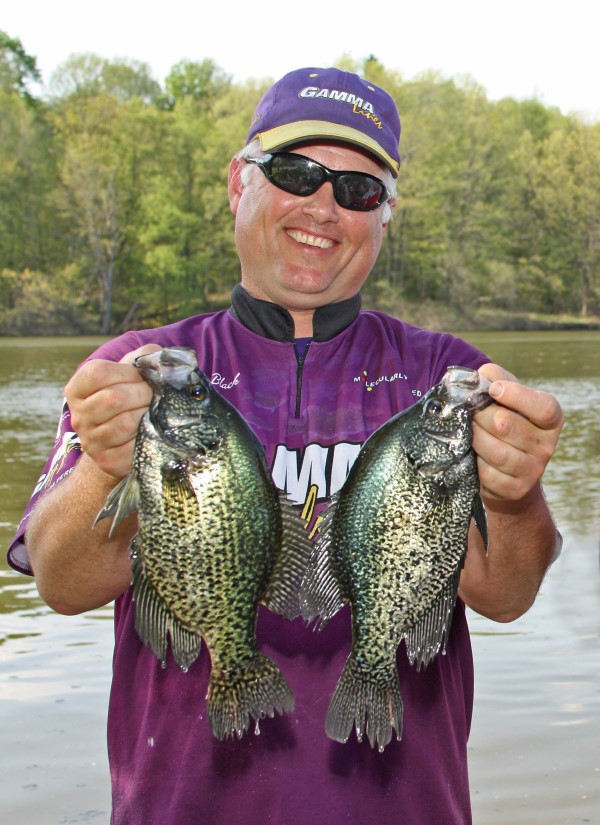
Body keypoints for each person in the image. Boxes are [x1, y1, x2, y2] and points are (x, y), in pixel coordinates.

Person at [7, 67, 563, 824]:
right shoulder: (138, 370)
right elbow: (61, 585)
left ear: (385, 217)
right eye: (297, 172)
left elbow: (509, 594)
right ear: (240, 182)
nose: (324, 207)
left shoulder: (446, 377)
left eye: (359, 190)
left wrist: (513, 491)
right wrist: (111, 462)